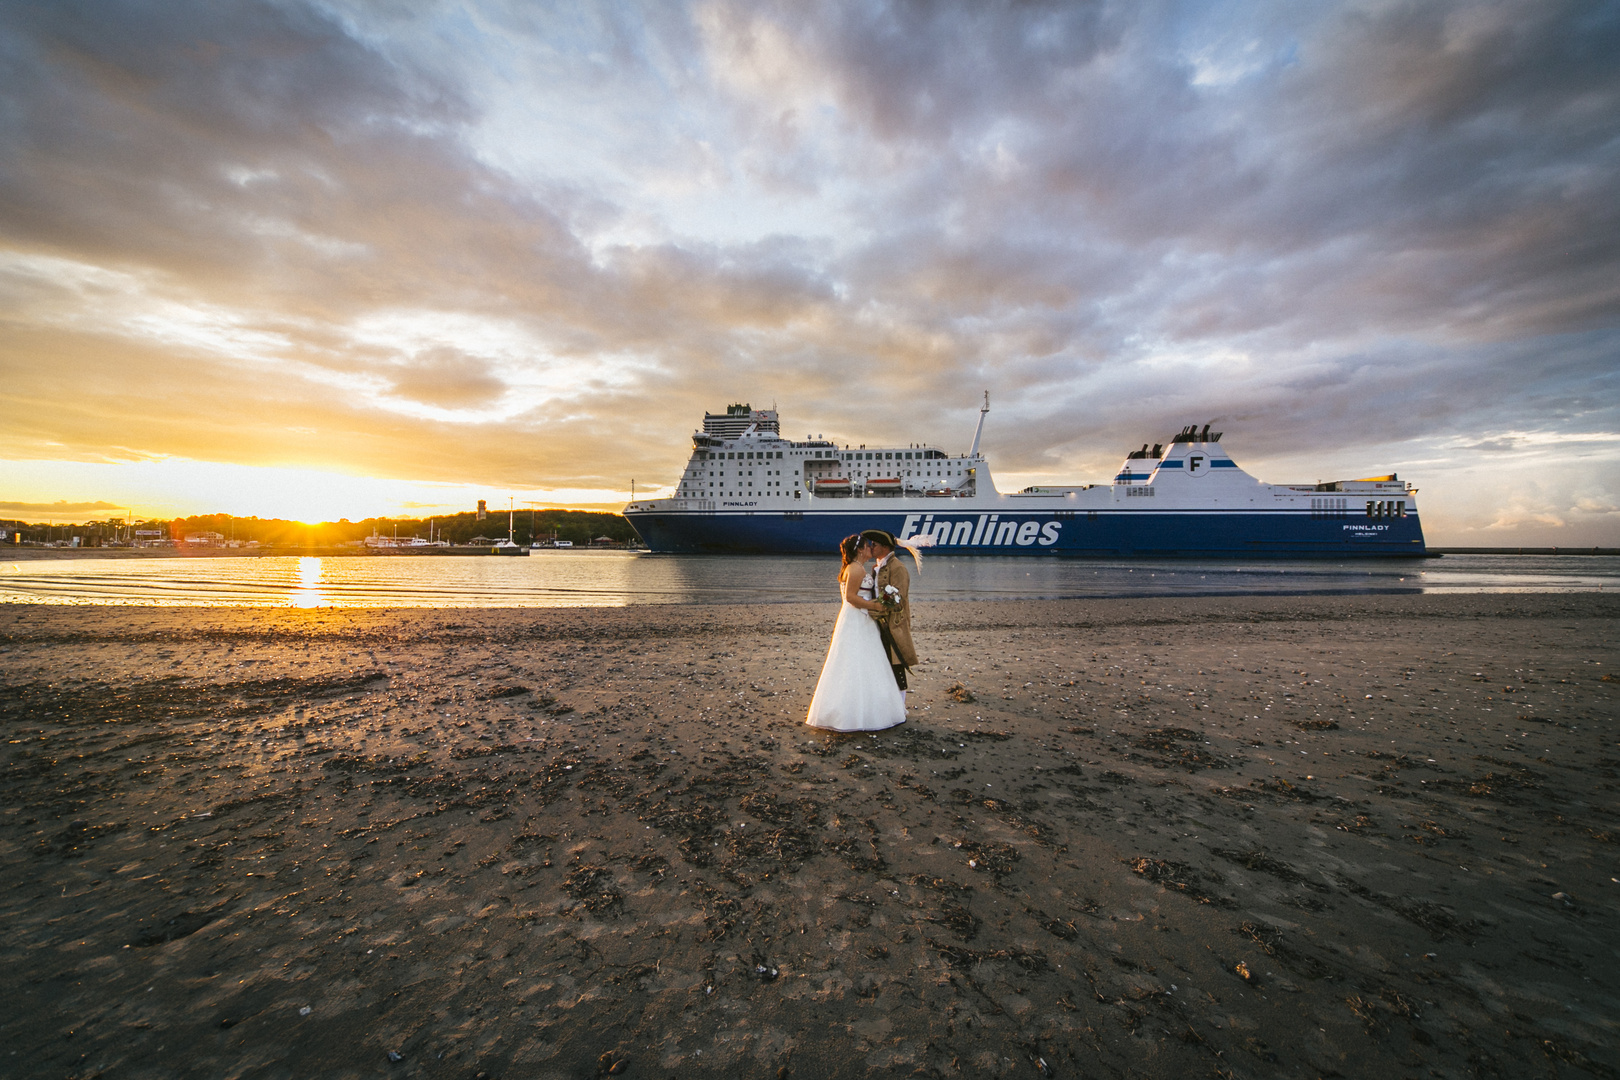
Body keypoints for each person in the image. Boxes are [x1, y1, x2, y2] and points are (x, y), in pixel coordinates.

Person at [804, 534, 906, 731]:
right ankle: (863, 713)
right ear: (860, 550)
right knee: (859, 660)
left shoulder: (853, 568)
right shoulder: (856, 569)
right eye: (868, 546)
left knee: (855, 660)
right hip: (858, 618)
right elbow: (850, 597)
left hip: (856, 618)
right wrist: (874, 605)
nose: (870, 549)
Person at [860, 529, 921, 701]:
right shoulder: (878, 567)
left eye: (875, 545)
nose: (872, 548)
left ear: (885, 547)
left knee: (896, 664)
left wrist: (874, 608)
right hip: (879, 622)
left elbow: (898, 599)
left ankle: (900, 705)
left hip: (893, 623)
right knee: (882, 662)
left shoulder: (898, 568)